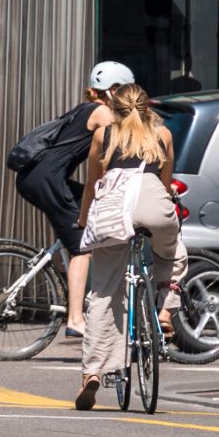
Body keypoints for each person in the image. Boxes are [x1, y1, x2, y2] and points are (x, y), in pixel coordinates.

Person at [71, 79, 183, 411]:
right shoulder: (163, 136)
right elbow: (165, 184)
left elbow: (92, 183)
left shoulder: (104, 136)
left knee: (105, 290)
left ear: (114, 110)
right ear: (147, 107)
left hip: (112, 210)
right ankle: (165, 309)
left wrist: (83, 220)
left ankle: (93, 372)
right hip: (153, 203)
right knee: (173, 250)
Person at [11, 61, 123, 338]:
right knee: (82, 248)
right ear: (113, 90)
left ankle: (64, 269)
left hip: (40, 178)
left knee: (86, 211)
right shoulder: (102, 113)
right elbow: (120, 147)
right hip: (46, 180)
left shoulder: (85, 109)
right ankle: (75, 318)